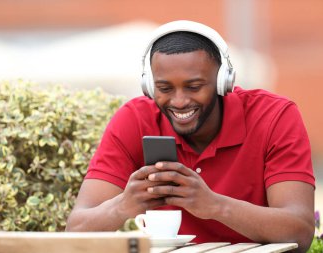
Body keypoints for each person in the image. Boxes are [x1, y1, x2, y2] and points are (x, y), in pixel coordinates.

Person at [65, 20, 315, 252]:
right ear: (150, 87)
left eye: (194, 87)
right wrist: (123, 205)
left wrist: (214, 205)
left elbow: (300, 232)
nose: (179, 101)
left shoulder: (274, 116)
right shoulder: (134, 119)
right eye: (164, 88)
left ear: (223, 82)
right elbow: (75, 231)